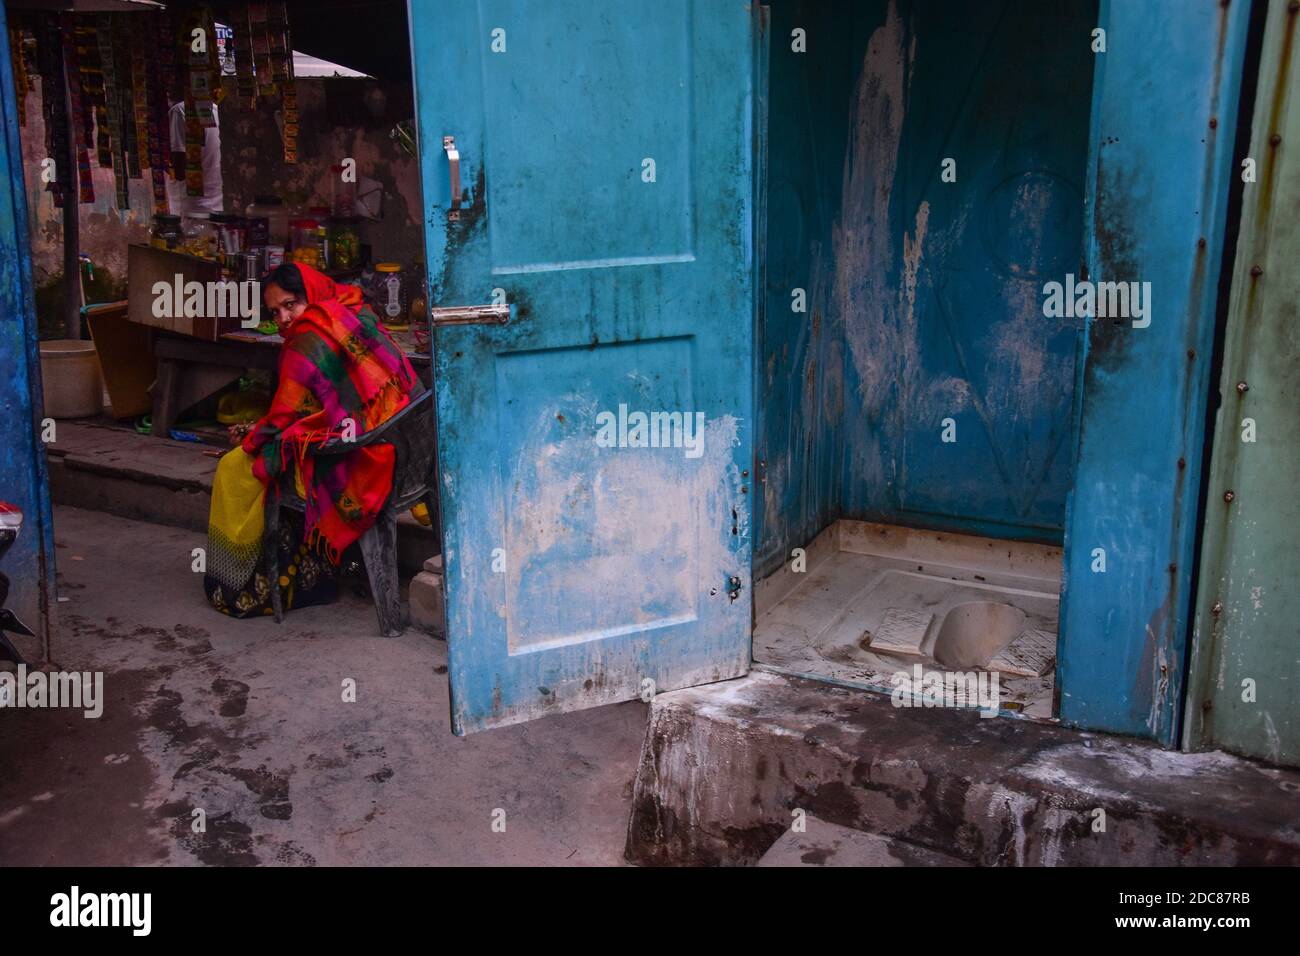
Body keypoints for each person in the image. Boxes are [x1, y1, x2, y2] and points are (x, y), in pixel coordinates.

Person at [204, 263, 420, 618]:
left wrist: (252, 441)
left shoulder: (310, 337)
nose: (285, 318)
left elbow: (283, 420)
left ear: (310, 295)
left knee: (235, 468)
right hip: (397, 448)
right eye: (275, 312)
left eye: (291, 304)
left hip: (361, 463)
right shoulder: (355, 311)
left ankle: (238, 583)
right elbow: (323, 405)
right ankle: (307, 573)